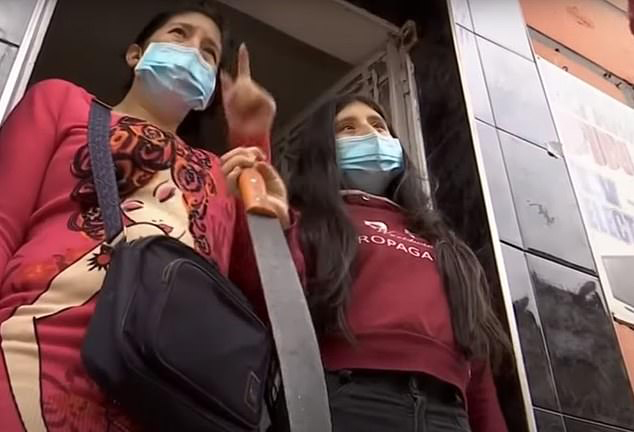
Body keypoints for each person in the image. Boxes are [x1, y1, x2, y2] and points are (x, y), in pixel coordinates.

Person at [0, 4, 293, 431]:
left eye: (209, 53)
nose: (194, 52)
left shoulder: (221, 172)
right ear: (136, 54)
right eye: (179, 34)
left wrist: (253, 147)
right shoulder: (62, 103)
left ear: (210, 88)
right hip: (34, 352)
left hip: (168, 388)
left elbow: (261, 297)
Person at [257, 94, 511, 432]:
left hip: (448, 412)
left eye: (380, 126)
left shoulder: (445, 243)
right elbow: (272, 302)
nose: (370, 135)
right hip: (347, 400)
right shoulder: (306, 223)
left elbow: (476, 365)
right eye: (348, 128)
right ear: (322, 151)